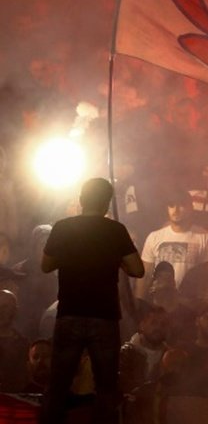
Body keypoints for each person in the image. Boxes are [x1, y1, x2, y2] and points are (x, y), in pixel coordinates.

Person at [41, 177, 145, 423]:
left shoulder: (63, 227)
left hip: (70, 313)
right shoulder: (116, 230)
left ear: (81, 200)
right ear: (107, 204)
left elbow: (46, 265)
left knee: (58, 385)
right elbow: (137, 270)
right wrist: (114, 257)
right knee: (106, 388)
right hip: (104, 317)